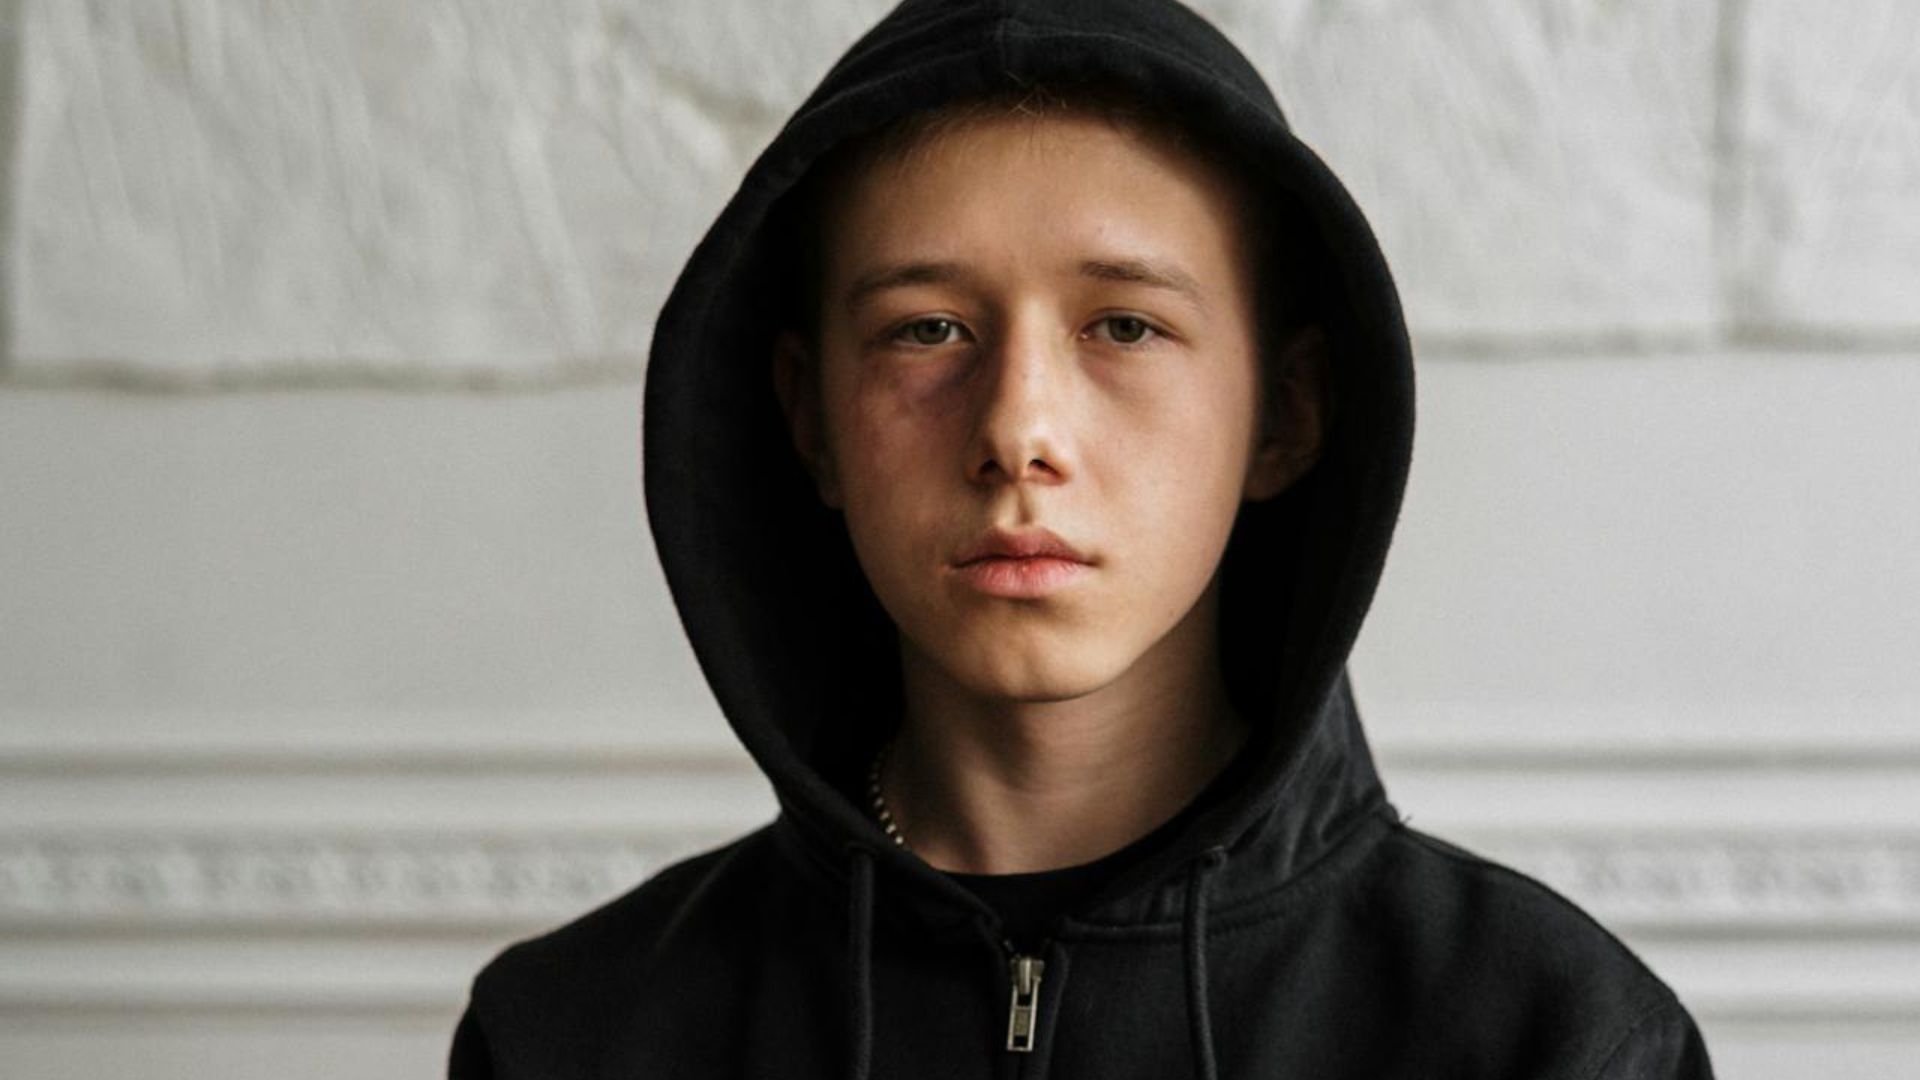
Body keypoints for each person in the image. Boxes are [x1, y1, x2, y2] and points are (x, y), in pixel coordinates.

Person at [450, 1, 1717, 1077]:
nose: (1018, 431)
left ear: (1284, 414)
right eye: (927, 331)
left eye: (1124, 327)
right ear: (811, 420)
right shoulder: (572, 1036)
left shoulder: (1548, 1039)